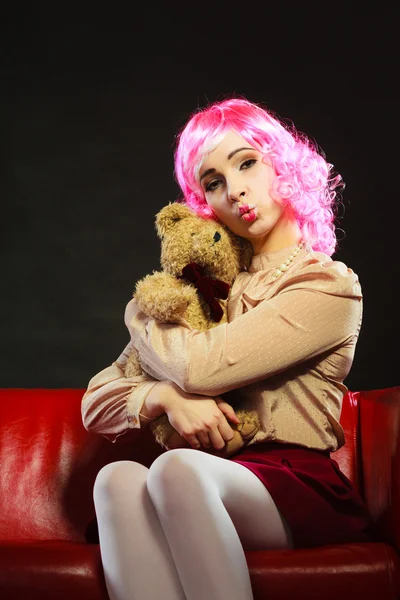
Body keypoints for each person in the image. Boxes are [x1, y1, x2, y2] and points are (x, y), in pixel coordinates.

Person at [81, 97, 373, 600]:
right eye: (212, 182)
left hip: (295, 483)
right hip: (207, 479)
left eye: (246, 162)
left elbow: (200, 368)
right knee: (116, 479)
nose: (234, 189)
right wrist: (162, 399)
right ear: (203, 204)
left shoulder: (327, 284)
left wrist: (138, 313)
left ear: (281, 163)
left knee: (175, 469)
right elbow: (97, 401)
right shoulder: (206, 289)